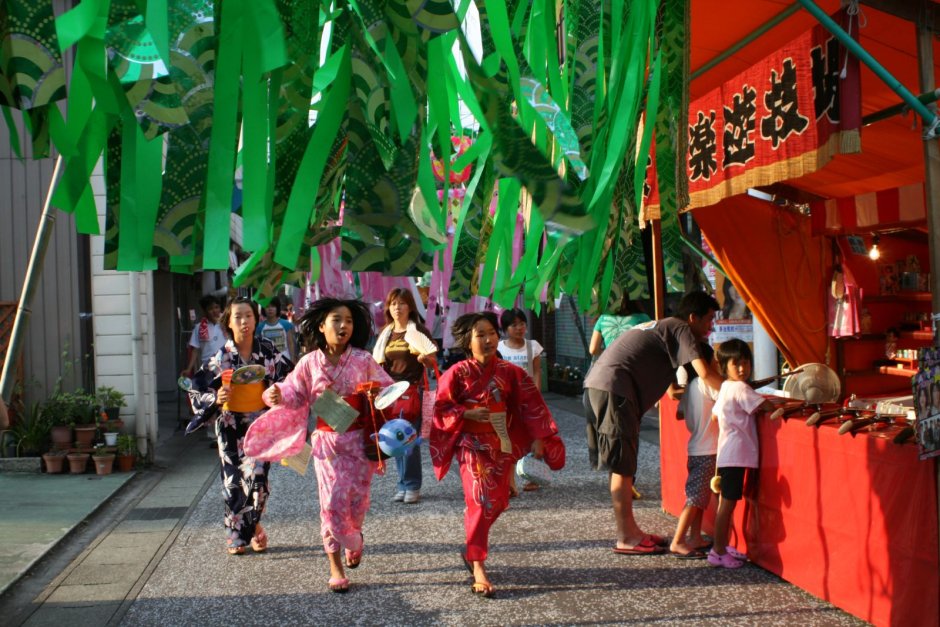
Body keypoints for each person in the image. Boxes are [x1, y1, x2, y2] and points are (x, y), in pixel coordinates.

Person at [263, 298, 393, 593]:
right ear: (322, 326)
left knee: (357, 503)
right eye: (336, 320)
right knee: (331, 504)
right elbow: (295, 393)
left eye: (348, 320)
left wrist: (380, 397)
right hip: (327, 445)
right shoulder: (309, 362)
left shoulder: (362, 359)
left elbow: (387, 388)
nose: (343, 326)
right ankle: (336, 566)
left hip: (360, 443)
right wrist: (277, 394)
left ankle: (354, 535)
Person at [430, 311, 562, 598]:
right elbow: (439, 411)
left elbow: (530, 404)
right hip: (471, 444)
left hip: (500, 443)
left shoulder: (509, 372)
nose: (489, 339)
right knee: (479, 501)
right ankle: (478, 565)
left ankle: (470, 545)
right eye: (481, 335)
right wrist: (466, 412)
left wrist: (540, 438)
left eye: (491, 333)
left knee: (499, 502)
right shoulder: (457, 373)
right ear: (468, 340)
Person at [583, 291, 722, 556]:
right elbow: (705, 374)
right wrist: (736, 389)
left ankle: (631, 532)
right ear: (693, 317)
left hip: (600, 386)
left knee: (622, 464)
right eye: (709, 320)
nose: (710, 327)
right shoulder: (682, 328)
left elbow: (671, 390)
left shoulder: (664, 328)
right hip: (615, 389)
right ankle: (627, 537)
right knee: (623, 467)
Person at [185, 296, 293, 555]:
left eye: (248, 316)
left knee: (257, 478)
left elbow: (288, 381)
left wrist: (279, 392)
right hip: (230, 424)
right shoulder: (220, 358)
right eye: (238, 317)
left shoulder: (267, 351)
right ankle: (239, 534)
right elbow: (197, 390)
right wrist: (216, 397)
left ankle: (252, 525)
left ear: (256, 320)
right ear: (228, 324)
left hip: (260, 424)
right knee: (233, 481)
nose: (244, 321)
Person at [709, 338, 774, 568]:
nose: (742, 368)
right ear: (724, 366)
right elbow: (764, 406)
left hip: (727, 452)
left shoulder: (726, 386)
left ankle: (721, 546)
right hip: (736, 455)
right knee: (727, 504)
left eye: (746, 363)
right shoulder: (740, 387)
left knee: (726, 503)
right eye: (736, 364)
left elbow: (715, 415)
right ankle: (717, 551)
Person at [372, 288, 438, 505]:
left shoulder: (418, 331)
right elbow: (379, 364)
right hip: (390, 392)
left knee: (407, 438)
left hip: (412, 391)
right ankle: (402, 483)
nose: (396, 307)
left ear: (410, 307)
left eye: (401, 303)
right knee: (393, 439)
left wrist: (424, 360)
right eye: (392, 304)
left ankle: (412, 485)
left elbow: (432, 361)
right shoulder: (385, 334)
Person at [669, 342, 719, 559]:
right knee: (695, 498)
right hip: (708, 449)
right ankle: (678, 541)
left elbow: (679, 414)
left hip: (695, 448)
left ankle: (695, 536)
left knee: (700, 497)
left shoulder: (689, 387)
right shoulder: (707, 384)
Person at [497, 308, 544, 495]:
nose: (519, 328)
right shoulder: (499, 348)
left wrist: (536, 395)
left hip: (528, 400)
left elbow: (537, 371)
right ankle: (509, 482)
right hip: (506, 401)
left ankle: (533, 477)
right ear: (505, 328)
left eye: (522, 324)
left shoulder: (533, 346)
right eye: (514, 325)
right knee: (508, 440)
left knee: (533, 438)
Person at [181, 294, 226, 378]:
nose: (214, 311)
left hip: (226, 367)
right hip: (208, 368)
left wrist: (222, 323)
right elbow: (195, 350)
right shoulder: (199, 328)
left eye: (216, 307)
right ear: (205, 311)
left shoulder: (227, 325)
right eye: (210, 309)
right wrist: (189, 369)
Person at [256, 298, 297, 362]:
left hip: (285, 360)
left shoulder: (286, 324)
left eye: (273, 306)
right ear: (263, 309)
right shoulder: (259, 327)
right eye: (267, 306)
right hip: (267, 362)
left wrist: (292, 360)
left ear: (277, 308)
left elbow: (290, 343)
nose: (270, 309)